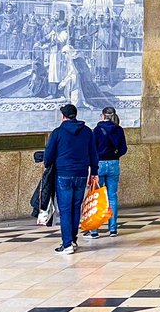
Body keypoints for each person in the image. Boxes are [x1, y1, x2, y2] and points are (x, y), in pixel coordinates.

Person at [42, 103, 98, 255]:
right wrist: (94, 172)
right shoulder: (87, 132)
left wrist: (48, 163)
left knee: (65, 210)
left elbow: (48, 156)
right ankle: (73, 240)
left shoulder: (58, 132)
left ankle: (67, 244)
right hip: (81, 174)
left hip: (63, 175)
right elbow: (93, 153)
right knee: (75, 207)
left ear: (63, 116)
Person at [83, 106, 128, 239]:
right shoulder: (119, 130)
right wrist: (115, 155)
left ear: (102, 115)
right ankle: (113, 229)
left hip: (99, 165)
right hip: (114, 164)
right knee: (112, 196)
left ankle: (94, 231)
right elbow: (123, 149)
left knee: (96, 196)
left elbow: (91, 149)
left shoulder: (96, 130)